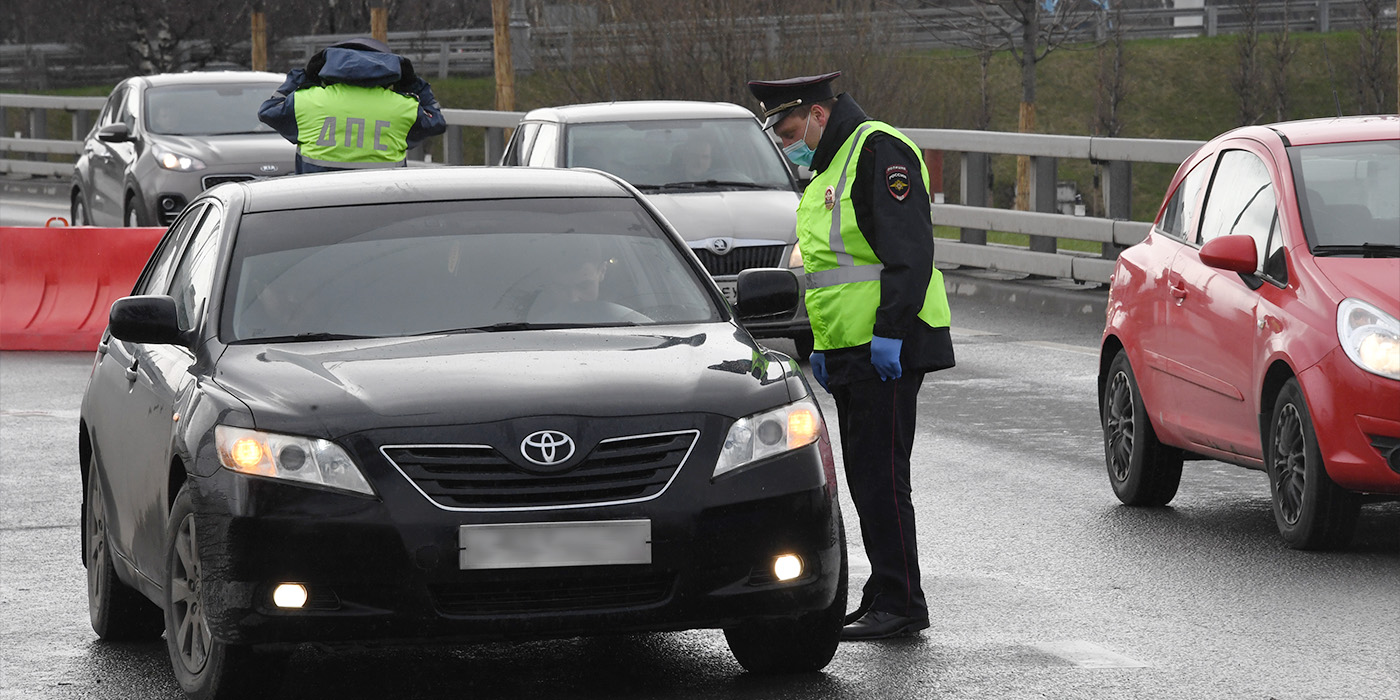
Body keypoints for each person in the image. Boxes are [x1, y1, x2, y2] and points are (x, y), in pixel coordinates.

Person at [747, 71, 955, 641]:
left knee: (883, 478)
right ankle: (885, 590)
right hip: (848, 349)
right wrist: (818, 343)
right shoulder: (827, 168)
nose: (787, 142)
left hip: (886, 346)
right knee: (866, 477)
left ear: (817, 113)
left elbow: (908, 254)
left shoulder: (876, 149)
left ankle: (903, 601)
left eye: (789, 128)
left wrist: (890, 331)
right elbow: (825, 271)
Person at [257, 37, 446, 173]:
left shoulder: (307, 101)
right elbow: (436, 121)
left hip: (316, 205)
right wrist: (413, 84)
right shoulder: (403, 107)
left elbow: (269, 110)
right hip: (381, 205)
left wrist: (301, 78)